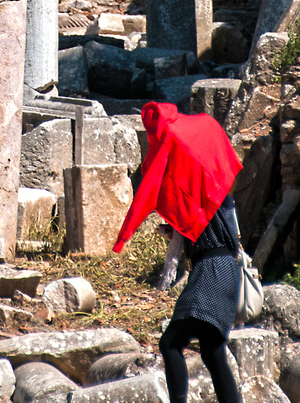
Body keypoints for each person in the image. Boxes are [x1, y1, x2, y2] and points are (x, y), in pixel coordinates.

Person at [113, 103, 245, 403]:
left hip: (211, 271)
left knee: (170, 342)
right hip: (224, 269)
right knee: (213, 354)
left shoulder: (207, 190)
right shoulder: (217, 192)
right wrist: (177, 231)